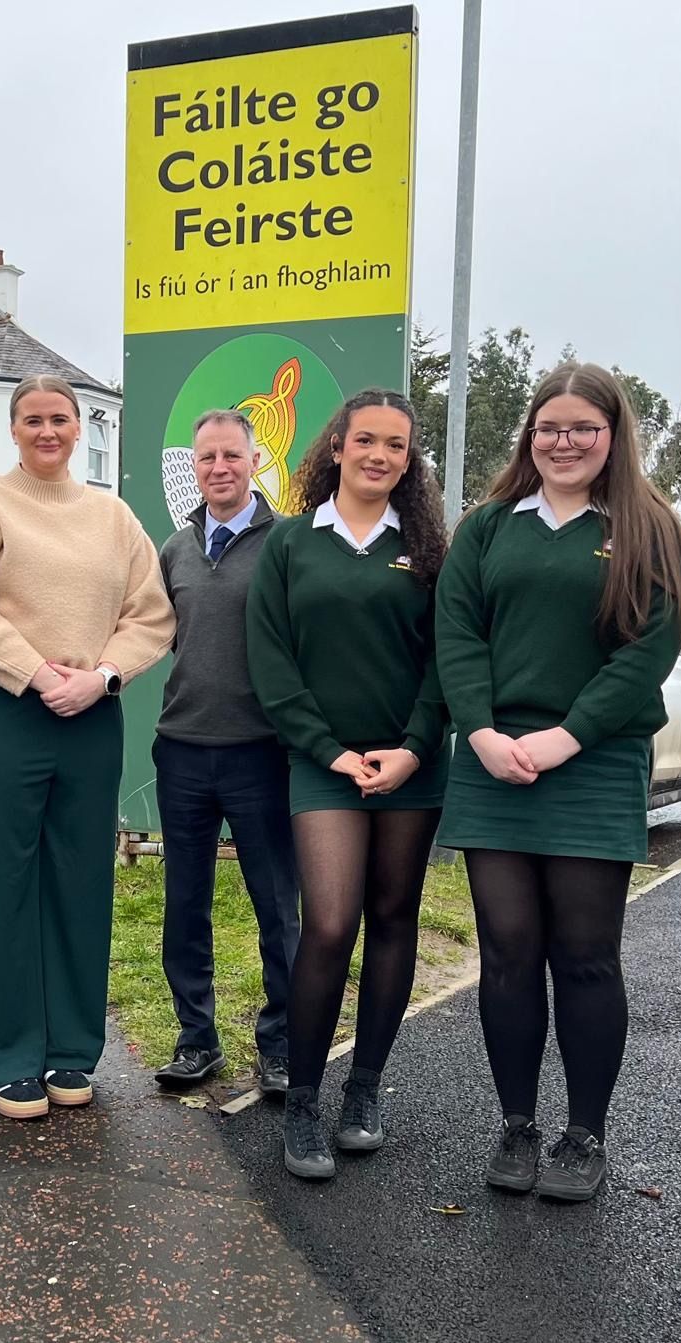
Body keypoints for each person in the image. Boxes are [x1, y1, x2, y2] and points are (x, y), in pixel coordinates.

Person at [434, 361, 681, 1202]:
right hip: (492, 761)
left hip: (594, 761)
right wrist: (480, 731)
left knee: (584, 956)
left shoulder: (648, 528)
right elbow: (456, 633)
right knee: (508, 955)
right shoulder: (488, 527)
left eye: (583, 427)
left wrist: (565, 738)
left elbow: (648, 652)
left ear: (613, 435)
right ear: (531, 435)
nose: (564, 442)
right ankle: (517, 1125)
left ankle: (585, 1136)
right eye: (549, 427)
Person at [0, 374, 175, 1119]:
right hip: (2, 709)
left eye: (60, 419)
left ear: (79, 429)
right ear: (14, 428)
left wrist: (101, 676)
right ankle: (5, 1057)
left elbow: (151, 614)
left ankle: (70, 1048)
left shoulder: (112, 518)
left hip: (90, 716)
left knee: (79, 882)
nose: (48, 431)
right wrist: (38, 674)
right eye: (33, 419)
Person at [246, 388, 451, 1181]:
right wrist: (327, 750)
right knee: (330, 925)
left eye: (396, 445)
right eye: (366, 439)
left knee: (393, 918)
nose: (379, 455)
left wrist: (414, 748)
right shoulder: (291, 543)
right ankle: (302, 1100)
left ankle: (363, 1089)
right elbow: (271, 658)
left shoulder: (427, 549)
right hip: (322, 763)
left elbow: (445, 661)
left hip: (410, 765)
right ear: (337, 447)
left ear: (409, 460)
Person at [152, 409, 299, 1096]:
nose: (219, 467)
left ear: (255, 461)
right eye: (207, 457)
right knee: (185, 907)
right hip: (182, 750)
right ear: (196, 466)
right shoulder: (175, 549)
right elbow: (153, 634)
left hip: (261, 753)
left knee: (276, 907)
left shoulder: (288, 543)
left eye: (231, 455)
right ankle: (196, 1041)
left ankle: (282, 1047)